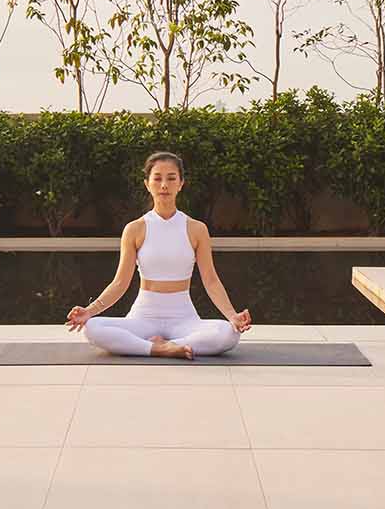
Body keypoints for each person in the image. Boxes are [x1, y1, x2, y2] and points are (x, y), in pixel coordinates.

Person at [65, 150, 252, 358]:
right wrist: (89, 311)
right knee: (92, 328)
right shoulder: (135, 229)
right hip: (143, 317)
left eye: (171, 178)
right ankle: (159, 348)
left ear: (181, 183)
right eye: (157, 178)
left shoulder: (196, 229)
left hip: (184, 318)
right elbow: (120, 283)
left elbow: (211, 280)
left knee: (229, 333)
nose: (164, 185)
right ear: (147, 184)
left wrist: (232, 316)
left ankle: (164, 345)